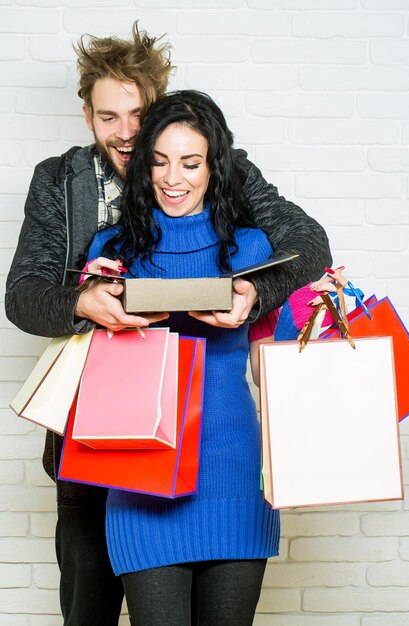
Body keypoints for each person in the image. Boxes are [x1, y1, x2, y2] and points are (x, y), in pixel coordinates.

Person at [5, 22, 332, 626]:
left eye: (138, 115)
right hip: (102, 439)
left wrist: (255, 294)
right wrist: (85, 303)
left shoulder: (228, 177)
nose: (126, 134)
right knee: (89, 611)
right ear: (87, 117)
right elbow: (23, 296)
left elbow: (306, 244)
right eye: (108, 117)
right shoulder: (64, 183)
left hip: (219, 454)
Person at [83, 89, 281, 626]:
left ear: (214, 167)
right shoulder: (113, 252)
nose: (174, 178)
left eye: (190, 163)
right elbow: (89, 373)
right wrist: (95, 306)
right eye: (160, 161)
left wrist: (326, 333)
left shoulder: (252, 251)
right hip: (141, 482)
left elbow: (268, 368)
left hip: (233, 476)